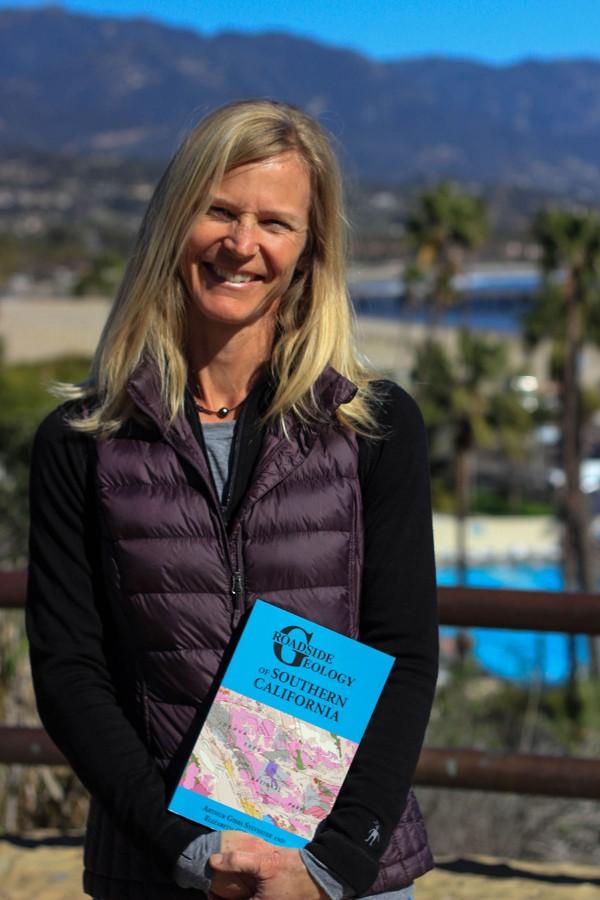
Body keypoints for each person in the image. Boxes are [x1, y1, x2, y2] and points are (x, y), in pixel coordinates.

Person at [26, 99, 438, 899]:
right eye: (219, 211)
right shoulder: (79, 442)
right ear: (173, 223)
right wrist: (189, 849)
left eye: (275, 223)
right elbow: (69, 672)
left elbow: (404, 656)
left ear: (310, 251)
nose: (242, 244)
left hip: (342, 874)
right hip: (153, 868)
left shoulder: (376, 428)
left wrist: (333, 864)